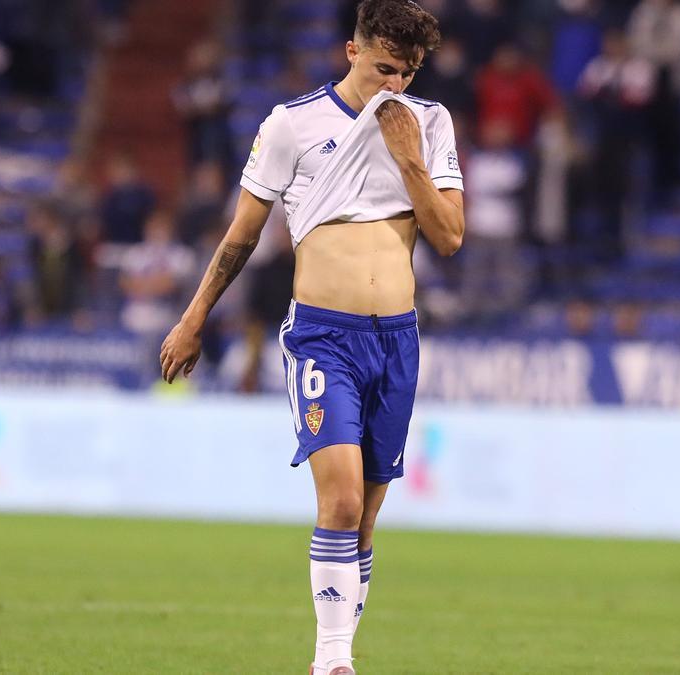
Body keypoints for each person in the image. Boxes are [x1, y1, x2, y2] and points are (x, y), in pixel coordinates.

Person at [158, 1, 464, 673]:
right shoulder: (292, 124)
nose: (395, 86)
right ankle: (331, 660)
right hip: (325, 335)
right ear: (351, 51)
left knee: (366, 516)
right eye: (385, 68)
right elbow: (242, 235)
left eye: (408, 73)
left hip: (398, 339)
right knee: (343, 497)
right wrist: (194, 315)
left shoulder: (430, 124)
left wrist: (410, 157)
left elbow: (448, 237)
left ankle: (338, 651)